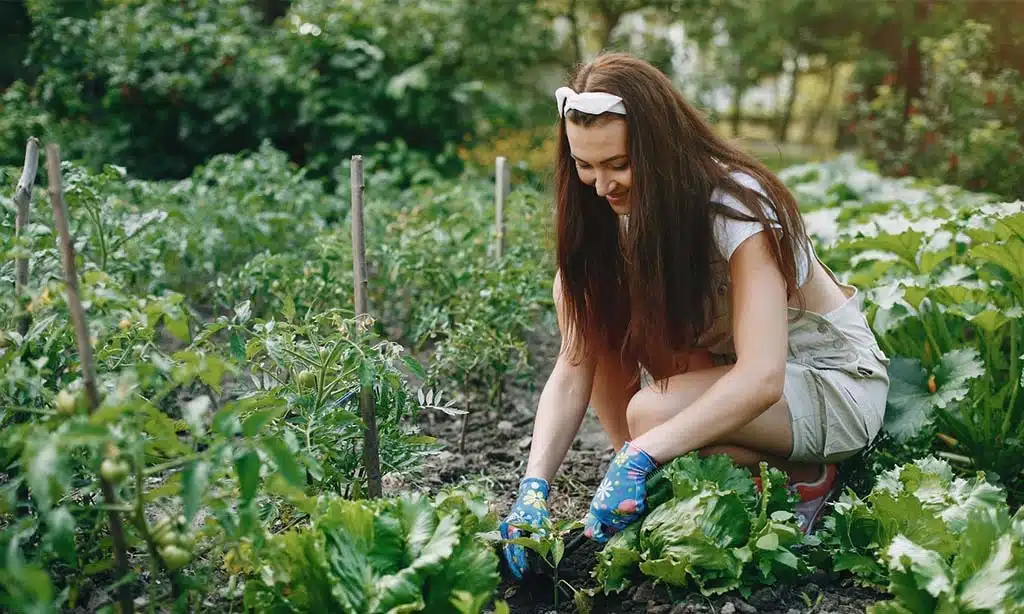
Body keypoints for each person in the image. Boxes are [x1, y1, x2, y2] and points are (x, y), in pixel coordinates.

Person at [498, 52, 890, 580]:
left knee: (652, 415)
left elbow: (761, 377)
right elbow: (572, 371)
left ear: (660, 151)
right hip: (737, 387)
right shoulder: (607, 223)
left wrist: (642, 453)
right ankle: (645, 499)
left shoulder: (738, 207)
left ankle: (810, 476)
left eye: (618, 165)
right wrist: (533, 488)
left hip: (829, 384)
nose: (601, 185)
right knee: (599, 311)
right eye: (584, 166)